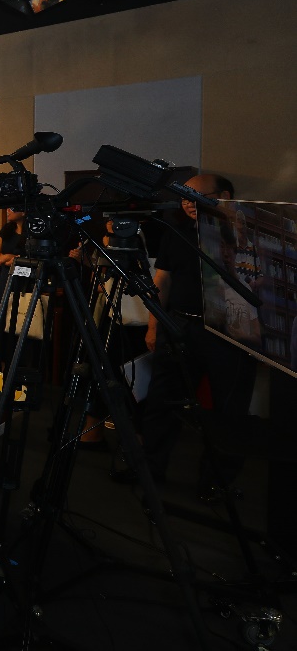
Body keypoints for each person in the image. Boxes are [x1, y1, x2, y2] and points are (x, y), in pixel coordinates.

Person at [120, 174, 257, 499]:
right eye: (184, 197)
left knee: (229, 410)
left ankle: (216, 482)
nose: (188, 203)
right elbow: (162, 281)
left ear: (223, 196)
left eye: (196, 196)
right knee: (162, 401)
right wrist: (154, 326)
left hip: (231, 332)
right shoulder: (176, 232)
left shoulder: (246, 235)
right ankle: (150, 469)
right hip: (180, 326)